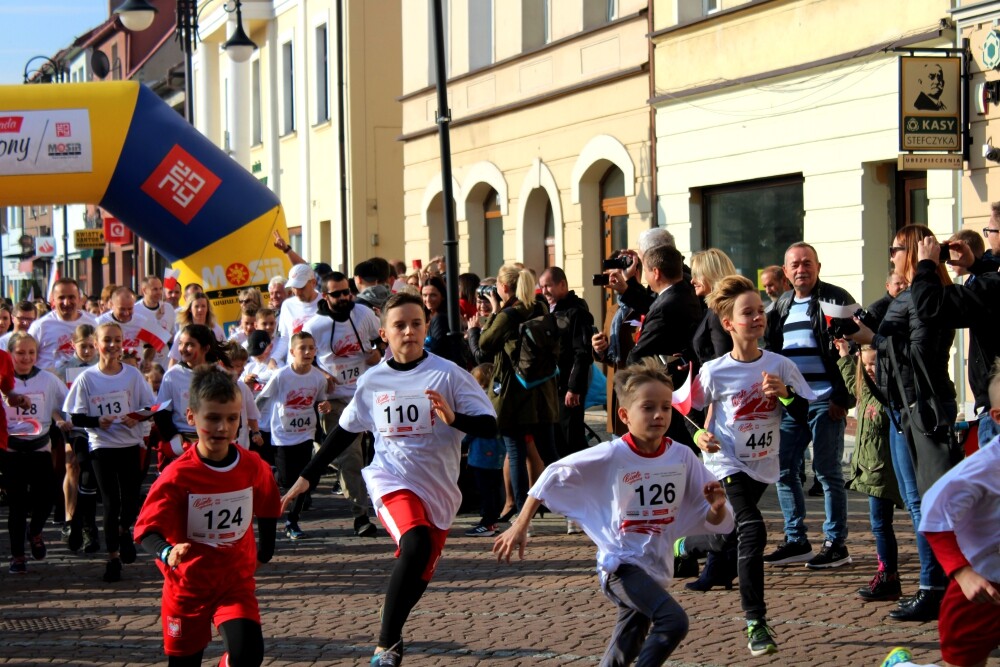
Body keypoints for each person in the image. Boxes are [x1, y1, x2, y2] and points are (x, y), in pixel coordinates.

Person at [281, 292, 497, 666]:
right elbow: (345, 432)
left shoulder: (449, 374)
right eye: (399, 325)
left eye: (416, 324)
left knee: (421, 567)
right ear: (384, 333)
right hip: (390, 479)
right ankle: (385, 645)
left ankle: (392, 630)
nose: (408, 332)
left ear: (426, 328)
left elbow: (490, 425)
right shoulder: (374, 380)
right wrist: (307, 476)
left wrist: (453, 419)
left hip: (439, 489)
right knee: (413, 545)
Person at [494, 359, 734, 664]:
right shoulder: (611, 454)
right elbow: (554, 472)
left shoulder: (682, 457)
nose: (659, 415)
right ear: (625, 415)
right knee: (673, 621)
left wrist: (716, 508)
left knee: (625, 647)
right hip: (619, 566)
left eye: (665, 407)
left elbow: (713, 520)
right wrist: (520, 524)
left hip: (654, 566)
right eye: (648, 408)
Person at [678, 275, 814, 655]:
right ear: (728, 323)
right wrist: (697, 437)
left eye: (760, 312)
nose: (757, 318)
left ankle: (687, 545)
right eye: (747, 313)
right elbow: (685, 412)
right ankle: (756, 623)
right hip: (725, 462)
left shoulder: (780, 365)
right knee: (752, 529)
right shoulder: (714, 371)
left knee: (729, 536)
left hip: (762, 465)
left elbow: (804, 413)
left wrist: (785, 397)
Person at [848, 224, 962, 622]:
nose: (891, 256)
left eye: (896, 249)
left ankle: (935, 587)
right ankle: (934, 585)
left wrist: (873, 340)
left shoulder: (925, 297)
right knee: (919, 503)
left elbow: (921, 351)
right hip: (905, 407)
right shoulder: (911, 295)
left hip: (923, 408)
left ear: (911, 251)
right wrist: (865, 335)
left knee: (925, 503)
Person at [134, 365, 282, 667]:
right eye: (212, 418)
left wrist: (265, 552)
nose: (222, 428)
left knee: (247, 654)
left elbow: (268, 505)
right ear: (192, 417)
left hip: (234, 583)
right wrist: (166, 551)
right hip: (187, 587)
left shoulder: (253, 466)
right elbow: (145, 530)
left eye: (231, 419)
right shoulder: (177, 475)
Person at [763, 242, 854, 569]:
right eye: (795, 265)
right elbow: (771, 351)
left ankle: (836, 543)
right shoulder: (780, 307)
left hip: (826, 400)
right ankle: (796, 540)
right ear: (786, 272)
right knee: (784, 469)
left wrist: (843, 399)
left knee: (828, 472)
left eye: (807, 263)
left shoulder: (835, 298)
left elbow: (853, 349)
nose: (801, 269)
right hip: (792, 402)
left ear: (818, 266)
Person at [64, 321, 155, 583]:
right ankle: (113, 557)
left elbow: (151, 406)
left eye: (117, 340)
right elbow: (76, 416)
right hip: (101, 446)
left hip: (129, 444)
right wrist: (97, 422)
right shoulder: (87, 378)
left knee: (129, 500)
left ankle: (124, 529)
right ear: (96, 344)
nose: (112, 345)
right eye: (107, 340)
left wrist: (135, 418)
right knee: (110, 501)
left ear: (123, 342)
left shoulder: (132, 375)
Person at [467, 264, 559, 519]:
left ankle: (522, 514)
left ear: (504, 287)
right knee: (550, 453)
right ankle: (571, 508)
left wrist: (481, 325)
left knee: (516, 453)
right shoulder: (539, 306)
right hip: (543, 393)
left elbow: (484, 347)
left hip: (513, 394)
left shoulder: (509, 315)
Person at [303, 272, 382, 537]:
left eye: (346, 291)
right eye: (336, 294)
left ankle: (321, 452)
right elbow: (305, 359)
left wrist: (377, 353)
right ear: (325, 297)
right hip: (336, 399)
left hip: (367, 394)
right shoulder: (315, 326)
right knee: (351, 456)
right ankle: (361, 516)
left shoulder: (363, 313)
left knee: (377, 450)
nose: (344, 297)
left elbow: (382, 338)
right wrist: (322, 374)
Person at [911, 234, 1000, 448]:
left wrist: (925, 265)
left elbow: (932, 306)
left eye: (991, 230)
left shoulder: (993, 286)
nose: (988, 238)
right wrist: (976, 266)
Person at [836, 341, 904, 602]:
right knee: (879, 525)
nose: (870, 369)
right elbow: (853, 385)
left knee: (881, 525)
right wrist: (845, 357)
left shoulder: (890, 395)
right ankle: (887, 574)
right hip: (870, 471)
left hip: (885, 473)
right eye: (865, 364)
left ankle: (889, 576)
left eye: (874, 363)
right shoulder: (864, 390)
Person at [4, 332, 71, 573]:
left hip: (40, 448)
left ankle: (35, 531)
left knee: (47, 496)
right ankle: (17, 555)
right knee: (17, 505)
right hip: (12, 450)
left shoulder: (48, 380)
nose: (26, 358)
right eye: (20, 353)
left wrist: (71, 422)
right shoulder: (4, 381)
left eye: (31, 352)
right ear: (10, 354)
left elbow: (69, 403)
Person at [257, 331, 331, 540]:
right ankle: (270, 473)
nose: (308, 352)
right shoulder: (281, 376)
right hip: (282, 435)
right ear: (292, 352)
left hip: (305, 434)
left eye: (311, 348)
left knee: (303, 479)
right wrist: (253, 423)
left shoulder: (318, 377)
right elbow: (262, 399)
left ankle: (293, 521)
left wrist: (324, 406)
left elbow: (320, 401)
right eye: (302, 348)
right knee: (287, 479)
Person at [155, 325, 233, 470]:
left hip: (214, 440)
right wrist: (173, 437)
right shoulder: (172, 375)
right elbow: (161, 413)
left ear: (205, 348)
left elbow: (231, 411)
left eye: (189, 344)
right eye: (180, 343)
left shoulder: (220, 374)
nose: (183, 349)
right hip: (183, 444)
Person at [538, 267, 594, 465]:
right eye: (541, 286)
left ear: (562, 284)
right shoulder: (549, 310)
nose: (544, 291)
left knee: (570, 440)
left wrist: (574, 388)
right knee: (557, 440)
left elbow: (582, 353)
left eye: (548, 286)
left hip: (567, 389)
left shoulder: (576, 312)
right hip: (552, 386)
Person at [463, 363, 507, 537]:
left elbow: (473, 429)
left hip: (482, 453)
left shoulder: (482, 402)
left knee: (486, 489)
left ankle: (488, 521)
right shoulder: (498, 398)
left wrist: (462, 442)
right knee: (494, 487)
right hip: (497, 452)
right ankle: (491, 520)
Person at [689, 248, 735, 365]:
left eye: (697, 275)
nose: (692, 281)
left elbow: (722, 360)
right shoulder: (713, 310)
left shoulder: (717, 312)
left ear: (712, 275)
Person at [420, 275, 466, 368]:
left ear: (443, 296)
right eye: (424, 295)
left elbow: (436, 350)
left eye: (433, 295)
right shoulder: (428, 316)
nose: (428, 299)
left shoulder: (440, 318)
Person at [169, 294, 225, 367]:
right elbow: (173, 360)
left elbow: (225, 352)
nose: (200, 310)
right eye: (196, 306)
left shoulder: (216, 329)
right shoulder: (183, 334)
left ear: (208, 308)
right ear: (190, 309)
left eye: (203, 306)